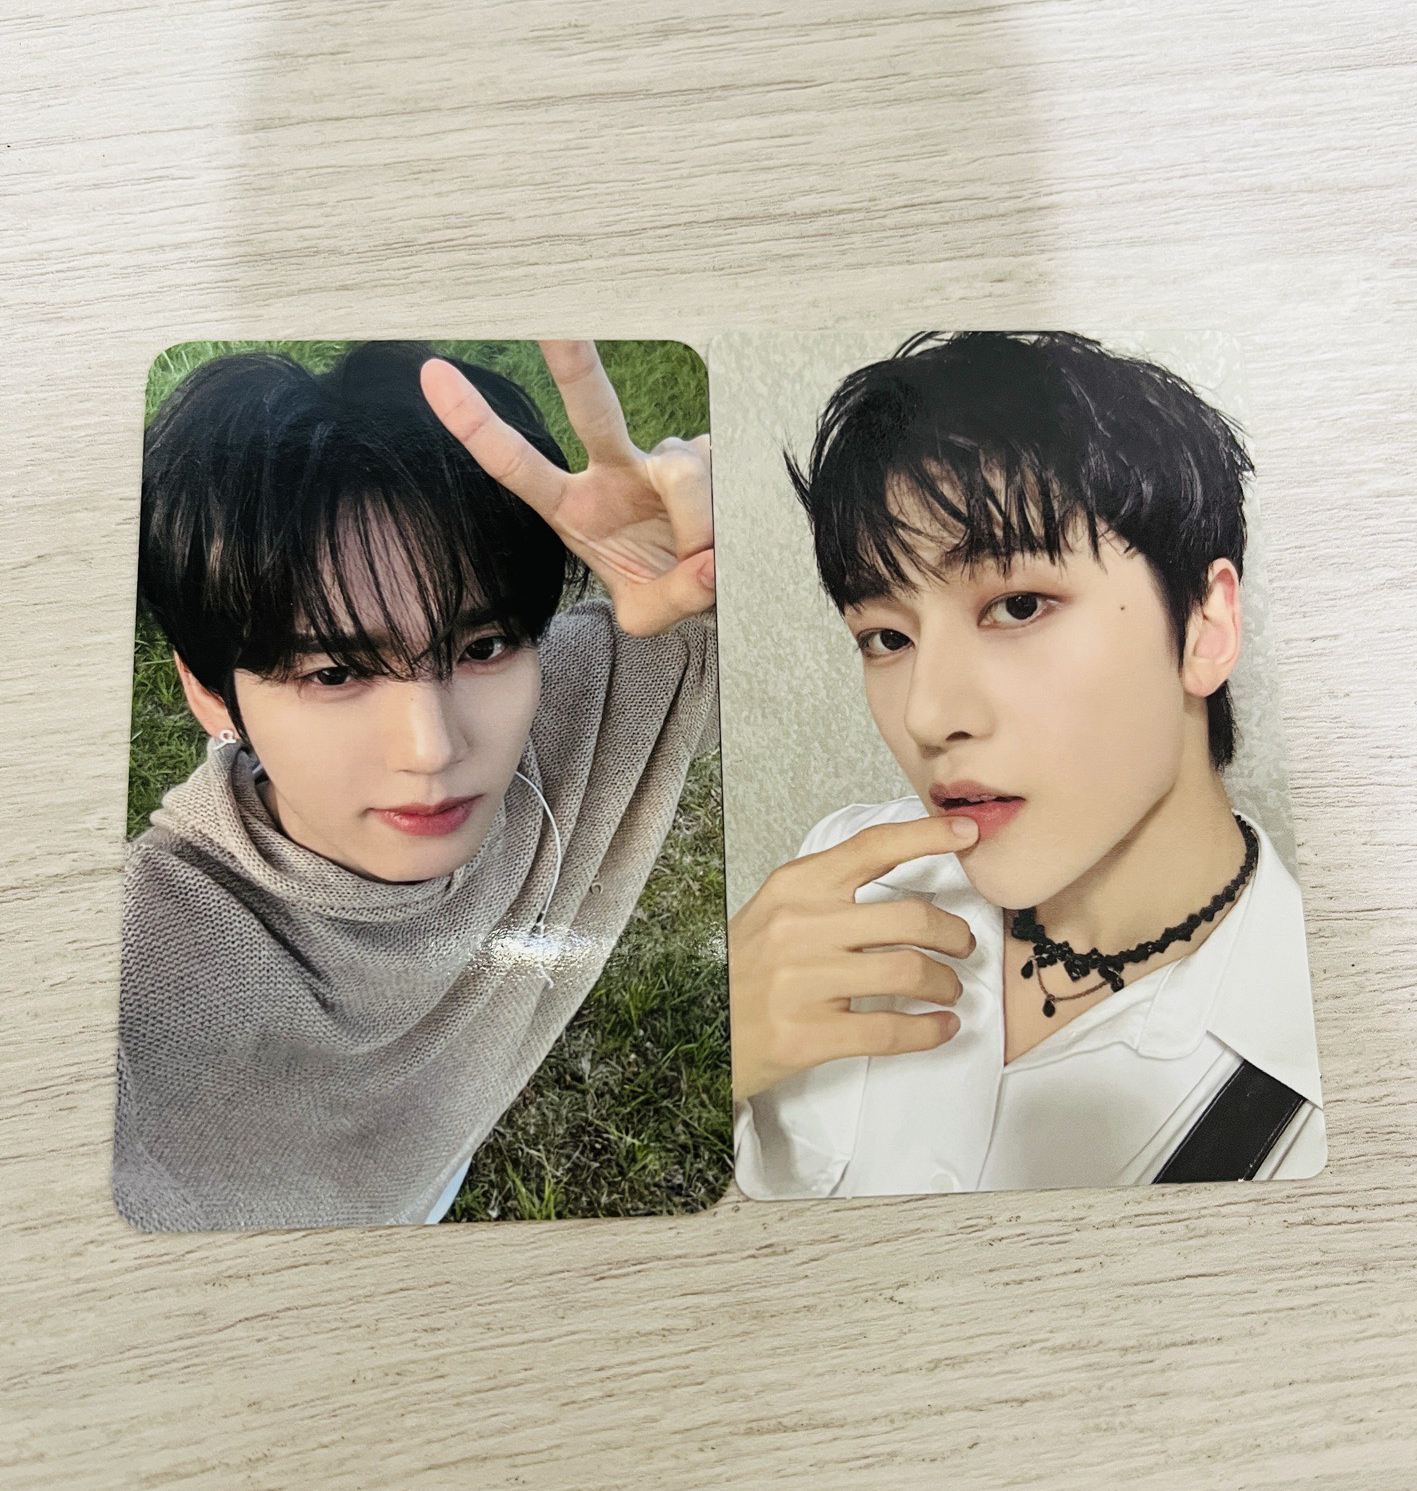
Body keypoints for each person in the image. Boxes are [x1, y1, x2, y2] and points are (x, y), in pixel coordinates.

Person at [113, 339, 718, 1230]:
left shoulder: (584, 704)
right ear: (207, 692)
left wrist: (726, 545)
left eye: (482, 647)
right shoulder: (140, 957)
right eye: (333, 673)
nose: (432, 749)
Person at [730, 331, 1326, 1198]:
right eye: (885, 637)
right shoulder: (845, 883)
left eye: (1016, 606)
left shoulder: (1320, 1069)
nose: (927, 714)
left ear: (1205, 627)